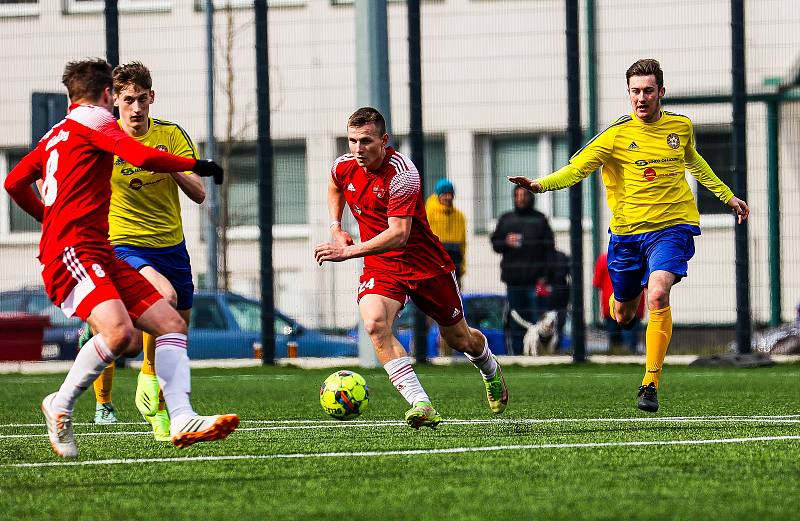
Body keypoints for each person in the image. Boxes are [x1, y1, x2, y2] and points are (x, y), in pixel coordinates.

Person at [4, 58, 237, 458]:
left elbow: (13, 181)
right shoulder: (97, 121)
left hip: (100, 249)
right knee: (118, 335)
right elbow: (141, 156)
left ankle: (181, 417)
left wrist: (47, 217)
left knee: (168, 322)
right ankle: (60, 403)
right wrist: (195, 164)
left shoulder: (57, 132)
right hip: (73, 250)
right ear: (108, 95)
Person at [509, 58, 749, 412]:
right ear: (628, 94)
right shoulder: (615, 136)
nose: (641, 98)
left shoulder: (680, 127)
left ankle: (650, 383)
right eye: (635, 91)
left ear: (661, 92)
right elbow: (577, 169)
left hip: (672, 228)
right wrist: (539, 186)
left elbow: (693, 161)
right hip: (627, 236)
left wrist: (726, 195)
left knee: (658, 293)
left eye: (648, 90)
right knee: (623, 314)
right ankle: (620, 303)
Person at [314, 107, 508, 429]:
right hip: (382, 265)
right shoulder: (344, 165)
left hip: (425, 265)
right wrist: (336, 226)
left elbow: (398, 235)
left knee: (460, 339)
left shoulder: (403, 174)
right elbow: (335, 184)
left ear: (384, 140)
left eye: (366, 141)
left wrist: (347, 251)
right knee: (375, 324)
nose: (358, 150)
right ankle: (421, 403)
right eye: (352, 141)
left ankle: (488, 367)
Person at [80, 61, 206, 441]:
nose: (136, 108)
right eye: (128, 100)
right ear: (114, 100)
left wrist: (167, 165)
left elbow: (199, 193)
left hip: (171, 245)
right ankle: (114, 399)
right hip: (121, 243)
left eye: (142, 99)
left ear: (152, 97)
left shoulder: (170, 135)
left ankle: (164, 418)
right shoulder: (103, 137)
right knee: (161, 300)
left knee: (176, 330)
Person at [490, 186, 555, 355]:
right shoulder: (506, 219)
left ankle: (538, 355)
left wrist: (545, 276)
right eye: (518, 195)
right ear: (514, 197)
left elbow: (550, 250)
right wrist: (505, 242)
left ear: (530, 197)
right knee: (516, 321)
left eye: (525, 194)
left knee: (536, 322)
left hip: (535, 282)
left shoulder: (540, 220)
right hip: (513, 282)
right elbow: (495, 243)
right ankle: (517, 356)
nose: (521, 198)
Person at [593, 252, 644, 354]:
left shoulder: (604, 259)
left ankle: (615, 357)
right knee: (630, 342)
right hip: (633, 306)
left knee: (614, 342)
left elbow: (597, 283)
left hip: (611, 306)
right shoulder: (640, 257)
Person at [425, 178, 466, 286]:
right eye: (445, 194)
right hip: (435, 265)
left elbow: (463, 245)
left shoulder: (460, 216)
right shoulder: (428, 213)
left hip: (455, 265)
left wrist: (462, 267)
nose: (448, 197)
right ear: (438, 195)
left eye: (450, 194)